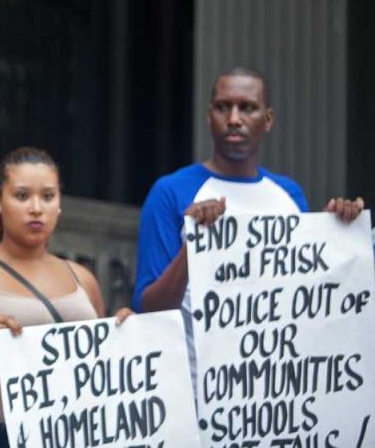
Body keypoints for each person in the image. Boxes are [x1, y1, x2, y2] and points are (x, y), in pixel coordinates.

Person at [131, 66, 364, 382]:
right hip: (194, 391)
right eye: (223, 107)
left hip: (273, 395)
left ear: (268, 120)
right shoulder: (170, 192)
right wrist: (194, 247)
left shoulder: (290, 195)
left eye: (248, 107)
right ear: (208, 116)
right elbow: (148, 313)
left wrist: (338, 232)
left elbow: (307, 303)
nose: (234, 119)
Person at [0, 147, 132, 447]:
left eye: (48, 196)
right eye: (22, 196)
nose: (36, 208)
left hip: (74, 434)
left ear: (59, 204)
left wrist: (126, 337)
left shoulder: (83, 279)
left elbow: (99, 373)